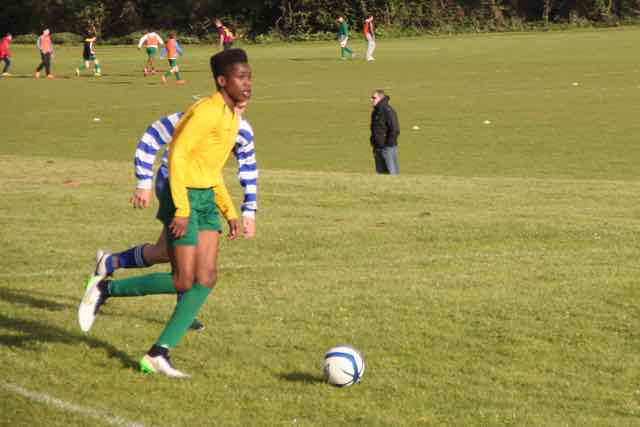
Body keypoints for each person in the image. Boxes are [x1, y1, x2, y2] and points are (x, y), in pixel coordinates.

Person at [78, 48, 252, 378]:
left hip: (205, 199)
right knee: (182, 280)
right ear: (222, 80)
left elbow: (211, 168)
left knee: (206, 278)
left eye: (249, 77)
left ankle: (158, 353)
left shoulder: (232, 117)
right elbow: (178, 156)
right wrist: (182, 209)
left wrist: (229, 210)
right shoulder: (206, 112)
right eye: (240, 77)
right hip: (181, 197)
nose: (247, 83)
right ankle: (104, 289)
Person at [92, 110, 259, 331]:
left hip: (202, 189)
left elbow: (248, 167)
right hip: (171, 183)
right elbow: (153, 135)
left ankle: (111, 262)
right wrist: (144, 182)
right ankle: (177, 313)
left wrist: (249, 211)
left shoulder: (242, 130)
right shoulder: (196, 115)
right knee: (192, 260)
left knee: (164, 252)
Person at [370, 89, 400, 175]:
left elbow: (395, 129)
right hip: (377, 147)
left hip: (387, 148)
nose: (371, 100)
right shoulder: (375, 112)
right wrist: (373, 141)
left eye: (374, 98)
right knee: (381, 175)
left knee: (392, 173)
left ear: (380, 98)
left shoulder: (388, 110)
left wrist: (388, 145)